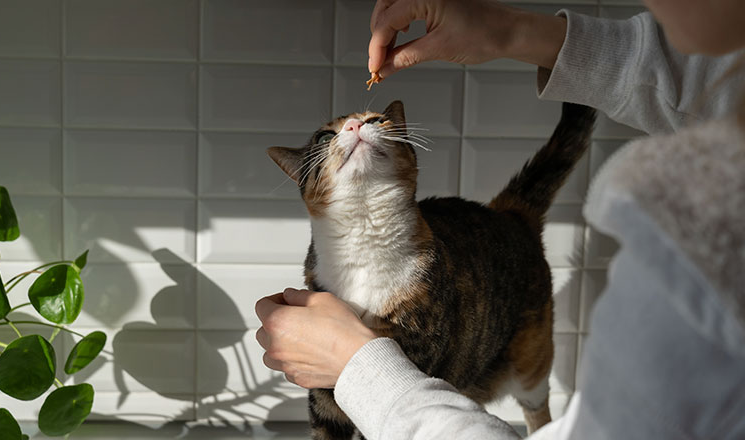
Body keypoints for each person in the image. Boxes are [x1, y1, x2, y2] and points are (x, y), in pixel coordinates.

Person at [255, 0, 745, 438]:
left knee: (532, 393)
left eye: (371, 122)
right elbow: (692, 77)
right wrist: (507, 33)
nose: (357, 127)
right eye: (331, 135)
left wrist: (354, 364)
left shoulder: (704, 254)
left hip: (493, 331)